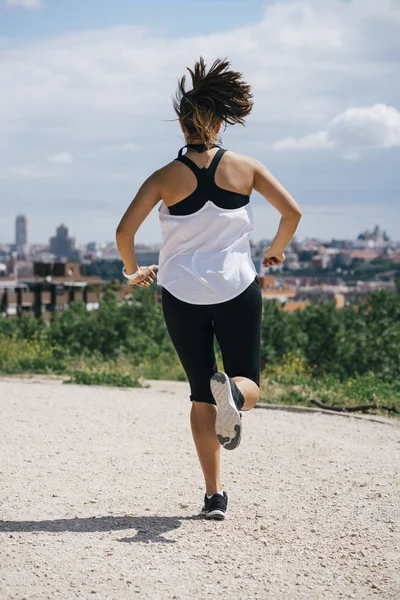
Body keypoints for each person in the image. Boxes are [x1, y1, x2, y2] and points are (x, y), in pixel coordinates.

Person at [116, 57, 302, 520]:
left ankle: (214, 496)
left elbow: (124, 232)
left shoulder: (163, 177)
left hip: (181, 294)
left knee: (200, 394)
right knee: (248, 380)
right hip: (237, 288)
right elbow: (292, 212)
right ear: (221, 122)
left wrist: (134, 271)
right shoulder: (246, 167)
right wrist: (276, 249)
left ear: (182, 125)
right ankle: (235, 398)